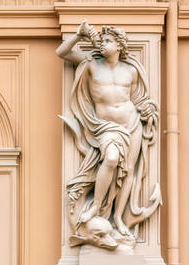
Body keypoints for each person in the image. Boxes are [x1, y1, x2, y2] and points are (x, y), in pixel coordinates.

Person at [56, 20, 160, 242]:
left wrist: (147, 109)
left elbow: (137, 100)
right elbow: (62, 52)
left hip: (131, 124)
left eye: (109, 40)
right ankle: (95, 206)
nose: (103, 43)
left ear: (120, 46)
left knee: (129, 171)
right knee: (111, 159)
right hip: (105, 127)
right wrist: (79, 35)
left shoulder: (131, 71)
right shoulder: (91, 64)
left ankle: (119, 218)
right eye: (102, 40)